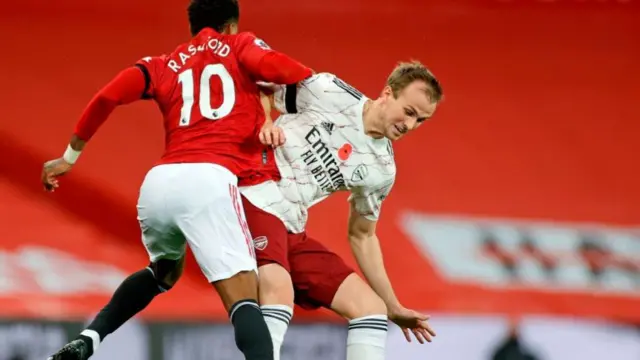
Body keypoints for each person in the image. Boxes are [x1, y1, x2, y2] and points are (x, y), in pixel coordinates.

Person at [40, 0, 312, 359]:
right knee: (245, 298)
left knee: (162, 273)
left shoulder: (161, 65)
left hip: (158, 184)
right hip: (209, 180)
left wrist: (69, 156)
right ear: (230, 25)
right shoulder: (239, 45)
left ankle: (91, 337)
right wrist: (309, 77)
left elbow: (107, 96)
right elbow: (280, 68)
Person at [240, 61, 443, 360]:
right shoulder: (328, 91)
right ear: (388, 93)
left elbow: (362, 235)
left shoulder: (382, 169)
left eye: (421, 120)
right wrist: (266, 121)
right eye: (409, 112)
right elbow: (264, 88)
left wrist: (393, 305)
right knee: (279, 289)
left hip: (289, 224)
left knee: (370, 310)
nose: (410, 125)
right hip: (254, 192)